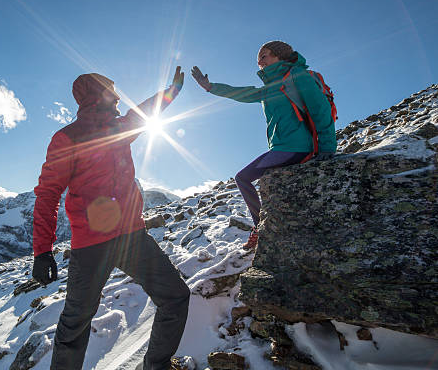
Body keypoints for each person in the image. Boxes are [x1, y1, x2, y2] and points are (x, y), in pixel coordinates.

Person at [32, 67, 190, 370]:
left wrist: (172, 91)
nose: (118, 94)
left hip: (131, 236)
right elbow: (48, 194)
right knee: (76, 322)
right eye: (112, 88)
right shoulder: (67, 137)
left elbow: (144, 113)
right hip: (91, 244)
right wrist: (42, 250)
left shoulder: (119, 127)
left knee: (175, 296)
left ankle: (156, 366)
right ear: (98, 93)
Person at [191, 41, 336, 250]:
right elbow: (241, 93)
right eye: (258, 58)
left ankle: (261, 228)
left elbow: (320, 110)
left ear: (280, 56)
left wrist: (327, 148)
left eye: (265, 55)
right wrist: (210, 87)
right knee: (248, 179)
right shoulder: (270, 89)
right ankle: (262, 226)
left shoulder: (298, 76)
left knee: (243, 177)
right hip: (281, 148)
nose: (259, 61)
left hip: (297, 147)